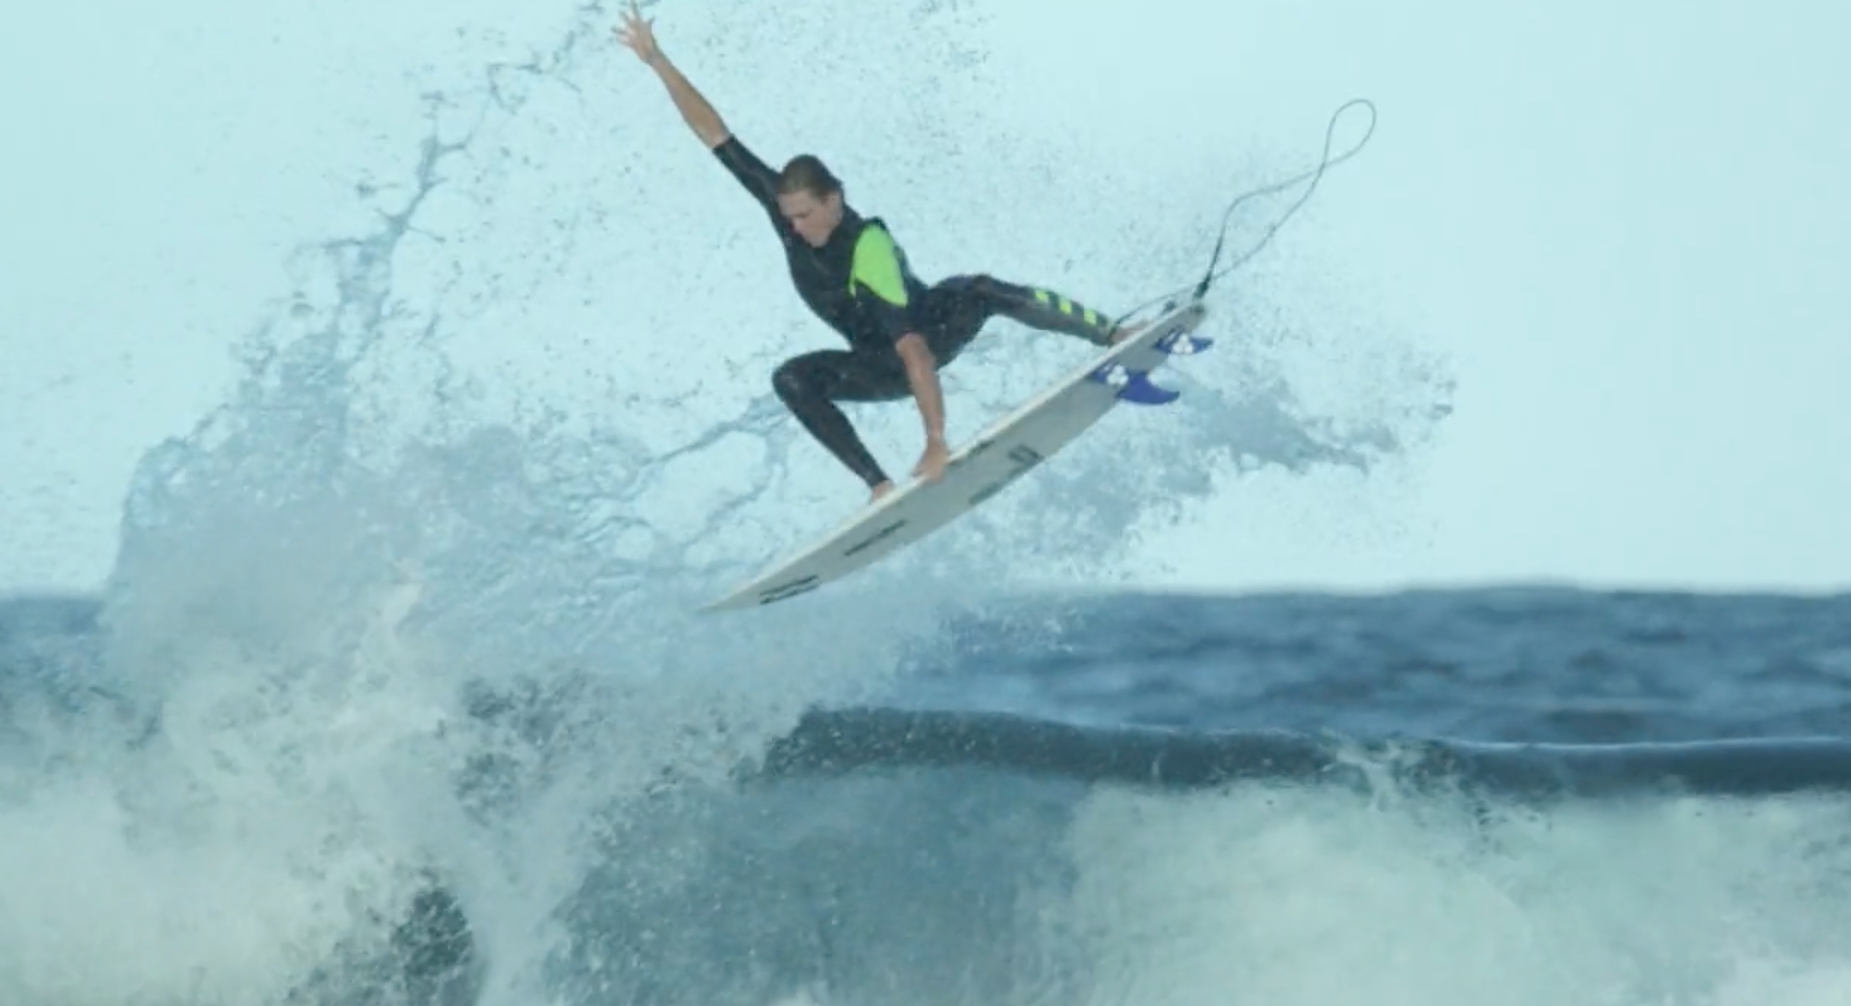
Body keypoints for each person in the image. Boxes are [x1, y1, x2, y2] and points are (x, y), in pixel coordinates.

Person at [614, 2, 1137, 504]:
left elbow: (915, 352)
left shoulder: (869, 250)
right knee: (792, 380)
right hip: (876, 365)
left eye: (804, 216)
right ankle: (879, 486)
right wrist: (657, 60)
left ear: (834, 201)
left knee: (979, 289)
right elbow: (716, 135)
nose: (793, 228)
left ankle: (1113, 334)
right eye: (788, 216)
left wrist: (935, 439)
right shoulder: (789, 212)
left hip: (930, 333)